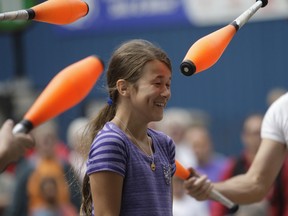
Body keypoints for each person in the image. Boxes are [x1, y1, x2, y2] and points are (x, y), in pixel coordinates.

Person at [79, 39, 176, 215]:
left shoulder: (165, 144)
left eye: (168, 84)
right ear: (123, 88)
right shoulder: (110, 143)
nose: (166, 93)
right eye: (157, 83)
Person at [184, 92, 288, 211]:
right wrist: (208, 188)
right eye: (253, 133)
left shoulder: (283, 165)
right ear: (244, 136)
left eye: (260, 132)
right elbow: (256, 184)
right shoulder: (280, 111)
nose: (258, 138)